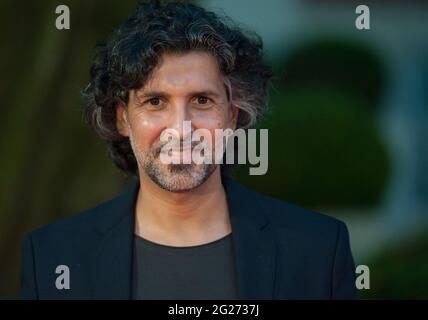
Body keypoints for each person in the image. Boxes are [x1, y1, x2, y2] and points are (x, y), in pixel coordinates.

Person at [20, 1, 357, 300]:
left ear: (231, 115)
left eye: (201, 100)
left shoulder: (317, 251)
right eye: (155, 102)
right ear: (123, 118)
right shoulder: (52, 256)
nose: (181, 128)